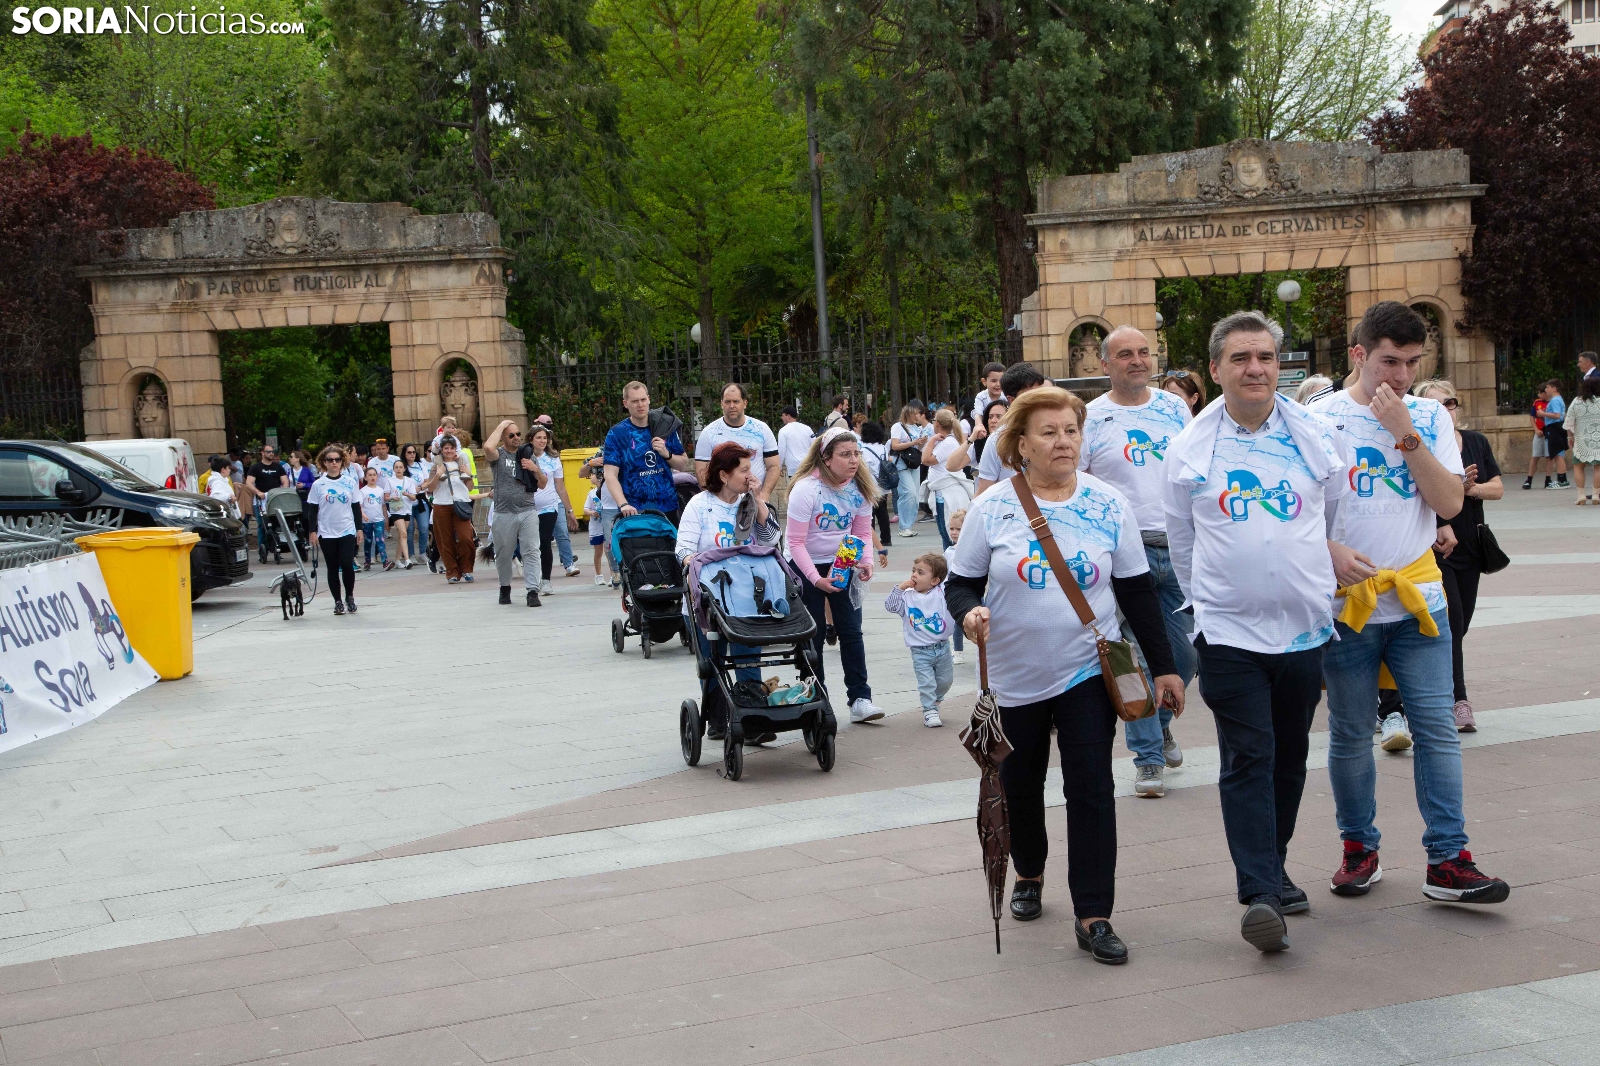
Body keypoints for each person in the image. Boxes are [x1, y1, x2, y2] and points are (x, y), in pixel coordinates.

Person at [947, 386, 1182, 965]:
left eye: (1072, 431)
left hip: (1086, 671)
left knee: (1092, 788)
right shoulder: (993, 507)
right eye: (1049, 432)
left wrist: (1166, 668)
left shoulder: (1109, 504)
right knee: (1021, 784)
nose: (1063, 442)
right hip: (1013, 674)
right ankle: (1029, 871)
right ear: (1021, 444)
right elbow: (961, 583)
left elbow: (1136, 591)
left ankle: (1094, 914)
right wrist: (969, 613)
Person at [1309, 300, 1509, 909]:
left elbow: (1449, 503)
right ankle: (1359, 849)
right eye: (1389, 362)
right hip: (1347, 605)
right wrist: (1328, 549)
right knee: (1350, 734)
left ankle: (1448, 859)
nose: (1400, 376)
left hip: (1419, 598)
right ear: (1358, 355)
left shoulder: (1427, 414)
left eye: (1412, 363)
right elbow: (1297, 512)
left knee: (1436, 729)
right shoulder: (1317, 419)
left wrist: (1405, 430)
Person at [1165, 310, 1349, 952]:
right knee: (1250, 756)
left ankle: (1275, 866)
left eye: (1265, 357)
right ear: (1216, 370)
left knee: (1290, 757)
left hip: (1304, 632)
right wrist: (1211, 606)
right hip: (1229, 634)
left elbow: (1326, 522)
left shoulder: (1314, 440)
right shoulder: (1190, 451)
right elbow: (1182, 543)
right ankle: (1261, 894)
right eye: (1240, 358)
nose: (1255, 369)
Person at [1077, 326, 1196, 799]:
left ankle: (1160, 723)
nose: (1137, 360)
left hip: (1179, 547)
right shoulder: (1091, 418)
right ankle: (1147, 759)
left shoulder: (1174, 408)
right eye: (1125, 354)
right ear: (1106, 364)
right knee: (1136, 656)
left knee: (1185, 655)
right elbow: (1078, 483)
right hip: (1125, 553)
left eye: (1144, 352)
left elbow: (1195, 470)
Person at [1413, 379, 1501, 730]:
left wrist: (1468, 489)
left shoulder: (1475, 442)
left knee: (1459, 626)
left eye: (1450, 403)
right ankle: (1457, 700)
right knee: (1450, 621)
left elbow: (1497, 488)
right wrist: (1450, 498)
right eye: (1437, 405)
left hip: (1471, 544)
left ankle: (1412, 686)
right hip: (1436, 547)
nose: (1446, 410)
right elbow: (1417, 493)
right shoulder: (1419, 447)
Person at [785, 427, 884, 724]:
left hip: (842, 559)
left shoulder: (859, 487)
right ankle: (816, 698)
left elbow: (862, 532)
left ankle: (860, 699)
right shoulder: (806, 489)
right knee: (812, 636)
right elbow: (795, 542)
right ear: (826, 458)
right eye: (845, 455)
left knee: (851, 631)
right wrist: (816, 579)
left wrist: (866, 560)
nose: (854, 460)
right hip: (805, 565)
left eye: (856, 454)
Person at [676, 442, 781, 719]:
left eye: (750, 469)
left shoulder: (750, 504)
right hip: (708, 599)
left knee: (748, 659)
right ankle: (718, 719)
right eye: (743, 470)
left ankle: (752, 716)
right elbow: (683, 549)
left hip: (747, 599)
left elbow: (771, 541)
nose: (750, 475)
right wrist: (696, 562)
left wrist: (758, 500)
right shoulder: (700, 505)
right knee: (713, 662)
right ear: (724, 475)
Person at [603, 381, 691, 524]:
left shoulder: (664, 426)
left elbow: (682, 464)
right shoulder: (617, 434)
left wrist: (666, 453)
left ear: (649, 399)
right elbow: (610, 474)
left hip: (667, 507)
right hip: (634, 510)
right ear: (625, 403)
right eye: (635, 401)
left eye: (643, 399)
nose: (640, 404)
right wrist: (623, 504)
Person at [885, 553, 956, 728]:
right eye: (913, 571)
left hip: (943, 647)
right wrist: (900, 588)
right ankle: (929, 710)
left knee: (945, 681)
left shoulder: (941, 593)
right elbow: (890, 606)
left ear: (935, 580)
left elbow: (952, 579)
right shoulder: (908, 596)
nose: (914, 575)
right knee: (926, 683)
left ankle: (936, 699)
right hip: (920, 651)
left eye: (921, 572)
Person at [483, 419, 545, 607]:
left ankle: (533, 591)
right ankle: (505, 587)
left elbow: (543, 484)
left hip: (528, 510)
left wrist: (535, 469)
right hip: (504, 512)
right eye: (511, 435)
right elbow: (488, 447)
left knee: (532, 551)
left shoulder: (527, 454)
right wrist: (501, 425)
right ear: (503, 437)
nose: (517, 437)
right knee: (503, 553)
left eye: (518, 434)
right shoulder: (498, 455)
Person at [695, 383, 780, 502]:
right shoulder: (708, 433)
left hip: (755, 500)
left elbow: (774, 466)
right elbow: (701, 470)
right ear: (721, 403)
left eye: (736, 401)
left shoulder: (761, 429)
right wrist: (714, 499)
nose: (732, 406)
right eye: (727, 402)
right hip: (723, 502)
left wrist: (764, 494)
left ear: (745, 403)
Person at [305, 445, 364, 615]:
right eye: (330, 460)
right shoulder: (318, 484)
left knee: (346, 563)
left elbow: (355, 507)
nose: (334, 463)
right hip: (326, 531)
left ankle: (349, 596)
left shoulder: (350, 482)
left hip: (347, 529)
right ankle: (337, 601)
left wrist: (359, 529)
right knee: (332, 567)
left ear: (342, 461)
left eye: (337, 459)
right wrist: (312, 531)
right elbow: (312, 510)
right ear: (324, 463)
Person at [973, 362, 1049, 495]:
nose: (1040, 400)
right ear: (1012, 400)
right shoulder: (998, 440)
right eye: (1032, 396)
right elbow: (983, 492)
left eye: (1042, 393)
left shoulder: (1062, 430)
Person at [422, 435, 477, 583]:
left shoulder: (462, 463)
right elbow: (430, 488)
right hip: (442, 504)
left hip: (461, 503)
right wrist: (438, 475)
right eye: (446, 448)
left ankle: (466, 569)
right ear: (441, 450)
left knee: (466, 538)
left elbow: (470, 487)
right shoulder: (436, 465)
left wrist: (469, 474)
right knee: (445, 541)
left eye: (451, 448)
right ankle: (452, 571)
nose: (449, 451)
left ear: (455, 449)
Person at [920, 408, 972, 548]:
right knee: (945, 533)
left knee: (949, 534)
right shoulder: (946, 441)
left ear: (937, 423)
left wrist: (931, 440)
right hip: (941, 493)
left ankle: (951, 559)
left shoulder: (948, 443)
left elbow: (926, 460)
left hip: (947, 494)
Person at [529, 426, 572, 595]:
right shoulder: (524, 457)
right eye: (538, 437)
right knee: (531, 545)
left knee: (544, 540)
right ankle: (534, 578)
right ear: (531, 439)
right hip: (528, 507)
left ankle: (546, 580)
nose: (542, 441)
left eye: (545, 438)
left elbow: (560, 487)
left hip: (549, 507)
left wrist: (569, 510)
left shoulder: (553, 459)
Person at [888, 404, 932, 536]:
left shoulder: (917, 428)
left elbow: (917, 449)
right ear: (909, 414)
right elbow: (895, 445)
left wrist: (921, 443)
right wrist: (914, 443)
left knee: (915, 495)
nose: (918, 416)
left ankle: (908, 525)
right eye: (916, 413)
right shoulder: (898, 427)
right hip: (901, 463)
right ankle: (904, 526)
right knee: (908, 493)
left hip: (914, 463)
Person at [244, 445, 290, 563]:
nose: (271, 453)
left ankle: (277, 546)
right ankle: (262, 549)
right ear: (262, 453)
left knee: (277, 523)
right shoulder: (256, 468)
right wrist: (258, 492)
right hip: (261, 500)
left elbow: (285, 480)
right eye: (268, 451)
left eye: (272, 451)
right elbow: (249, 483)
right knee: (262, 525)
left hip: (275, 499)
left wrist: (283, 490)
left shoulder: (278, 467)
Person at [858, 422, 893, 569]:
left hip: (870, 485)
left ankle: (870, 541)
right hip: (882, 484)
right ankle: (886, 538)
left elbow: (863, 468)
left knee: (869, 514)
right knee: (882, 512)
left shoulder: (863, 449)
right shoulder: (882, 447)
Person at [773, 406, 812, 518]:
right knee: (808, 492)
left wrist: (779, 466)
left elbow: (781, 450)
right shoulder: (807, 429)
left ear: (788, 416)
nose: (782, 418)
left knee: (794, 493)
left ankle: (797, 516)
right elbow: (814, 445)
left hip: (793, 468)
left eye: (783, 415)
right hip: (807, 466)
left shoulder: (783, 431)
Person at [1568, 376, 1600, 504]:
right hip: (1598, 437)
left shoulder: (1577, 401)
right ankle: (1596, 494)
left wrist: (1570, 436)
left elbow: (1569, 420)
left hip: (1582, 438)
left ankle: (1581, 495)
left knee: (1578, 466)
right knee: (1598, 467)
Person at [943, 508, 967, 665]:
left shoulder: (971, 549)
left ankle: (985, 649)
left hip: (972, 590)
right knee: (957, 623)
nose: (954, 532)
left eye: (958, 529)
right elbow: (946, 572)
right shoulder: (949, 551)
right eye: (952, 528)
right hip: (956, 592)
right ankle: (958, 651)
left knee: (981, 622)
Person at [400, 444, 432, 561]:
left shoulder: (420, 465)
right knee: (409, 530)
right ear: (404, 454)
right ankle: (411, 554)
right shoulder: (402, 466)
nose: (412, 454)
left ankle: (423, 553)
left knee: (424, 527)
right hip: (407, 501)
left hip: (420, 499)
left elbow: (427, 481)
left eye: (414, 452)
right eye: (409, 452)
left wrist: (420, 487)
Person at [358, 465, 391, 570]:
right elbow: (359, 506)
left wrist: (386, 518)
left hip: (379, 520)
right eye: (370, 475)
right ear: (365, 477)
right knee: (368, 541)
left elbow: (383, 506)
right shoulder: (363, 491)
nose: (372, 477)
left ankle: (385, 561)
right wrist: (363, 515)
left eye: (374, 475)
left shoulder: (380, 490)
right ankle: (367, 561)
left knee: (380, 540)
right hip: (367, 521)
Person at [386, 458, 416, 569]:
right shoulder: (390, 481)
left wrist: (407, 494)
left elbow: (414, 497)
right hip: (396, 510)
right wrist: (392, 497)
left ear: (404, 469)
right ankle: (407, 559)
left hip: (407, 509)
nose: (398, 469)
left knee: (401, 535)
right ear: (393, 469)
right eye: (396, 467)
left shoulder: (409, 481)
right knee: (403, 533)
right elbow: (386, 497)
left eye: (400, 467)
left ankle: (397, 559)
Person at [1540, 380, 1571, 489]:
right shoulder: (1558, 399)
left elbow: (1557, 415)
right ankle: (1562, 479)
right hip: (1558, 427)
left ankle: (1562, 480)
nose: (1546, 389)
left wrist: (1543, 413)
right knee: (1559, 454)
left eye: (1547, 387)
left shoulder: (1554, 400)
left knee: (1557, 455)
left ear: (1554, 388)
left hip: (1554, 428)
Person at [1524, 387, 1553, 490]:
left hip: (1549, 432)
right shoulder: (1537, 403)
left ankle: (1548, 479)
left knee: (1549, 457)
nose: (1538, 395)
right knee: (1535, 456)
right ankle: (1529, 479)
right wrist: (1536, 429)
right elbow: (1532, 416)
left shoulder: (1552, 402)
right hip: (1539, 431)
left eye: (1540, 393)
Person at [967, 398, 1008, 468]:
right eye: (990, 417)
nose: (993, 421)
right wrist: (971, 439)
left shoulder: (1017, 443)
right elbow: (951, 466)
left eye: (998, 416)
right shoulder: (981, 442)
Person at [970, 361, 1007, 426]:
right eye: (994, 381)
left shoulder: (1006, 395)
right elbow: (978, 414)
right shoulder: (981, 397)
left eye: (1001, 381)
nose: (998, 384)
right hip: (987, 427)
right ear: (984, 382)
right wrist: (979, 426)